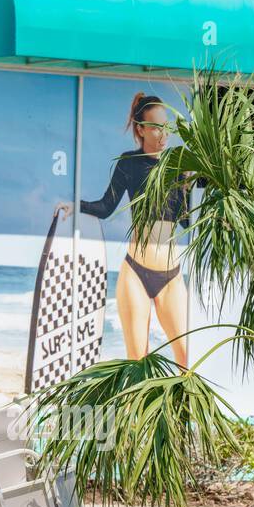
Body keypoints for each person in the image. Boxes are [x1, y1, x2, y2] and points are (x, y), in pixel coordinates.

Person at [64, 93, 190, 366]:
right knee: (137, 360)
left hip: (171, 274)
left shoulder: (178, 165)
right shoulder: (129, 162)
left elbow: (186, 220)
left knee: (185, 358)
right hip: (136, 272)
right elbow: (107, 206)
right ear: (140, 129)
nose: (163, 133)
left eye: (166, 126)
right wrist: (76, 206)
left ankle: (181, 410)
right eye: (156, 126)